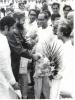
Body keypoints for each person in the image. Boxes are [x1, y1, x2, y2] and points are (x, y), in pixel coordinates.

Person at [0, 18, 19, 99]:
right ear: (6, 27)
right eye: (13, 28)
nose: (14, 30)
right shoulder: (2, 40)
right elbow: (4, 65)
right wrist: (13, 82)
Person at [57, 19, 75, 98]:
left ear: (61, 33)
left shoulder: (69, 48)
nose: (56, 33)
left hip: (67, 84)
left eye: (57, 31)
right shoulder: (64, 46)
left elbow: (68, 69)